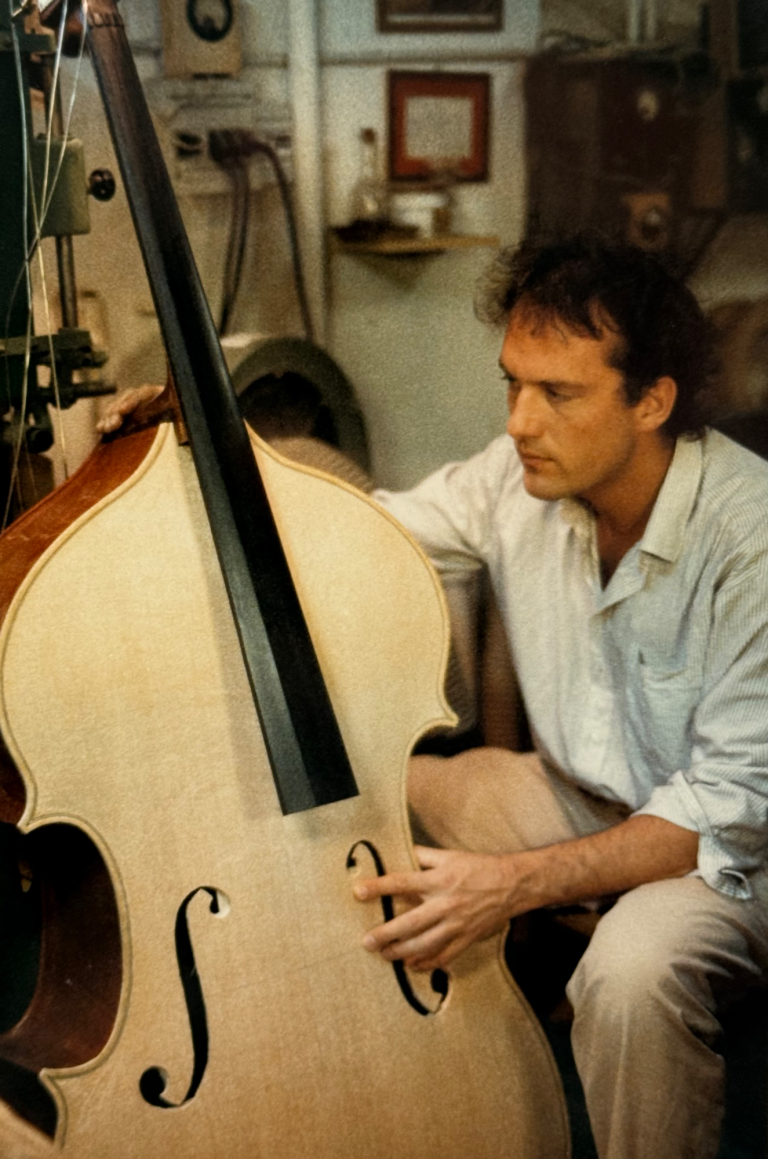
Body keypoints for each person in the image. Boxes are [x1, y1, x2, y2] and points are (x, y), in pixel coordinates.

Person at [352, 236, 768, 1159]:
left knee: (631, 971)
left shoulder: (753, 537)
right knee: (376, 792)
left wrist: (508, 884)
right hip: (588, 799)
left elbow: (724, 812)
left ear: (652, 401)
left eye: (558, 394)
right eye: (512, 384)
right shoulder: (518, 478)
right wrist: (192, 442)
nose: (518, 422)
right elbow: (357, 531)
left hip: (734, 857)